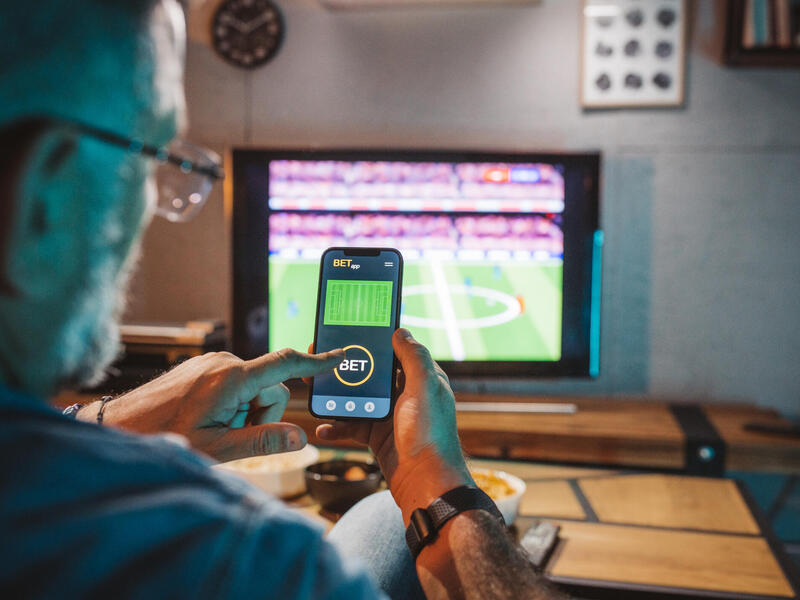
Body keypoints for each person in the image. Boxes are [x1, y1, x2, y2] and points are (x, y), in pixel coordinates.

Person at [0, 1, 564, 598]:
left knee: (373, 517)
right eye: (150, 160)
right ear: (47, 199)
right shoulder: (244, 559)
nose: (154, 207)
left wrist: (102, 425)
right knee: (386, 516)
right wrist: (435, 481)